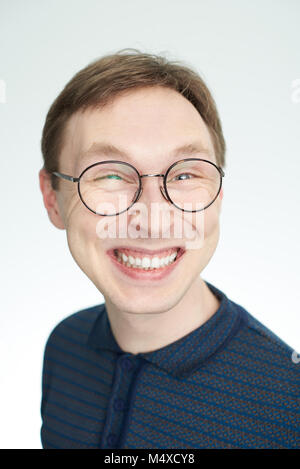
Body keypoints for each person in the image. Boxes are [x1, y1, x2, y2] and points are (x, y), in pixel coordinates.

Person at [39, 48, 299, 449]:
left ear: (218, 195)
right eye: (109, 174)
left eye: (184, 174)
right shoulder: (65, 347)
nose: (154, 219)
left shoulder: (289, 404)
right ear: (53, 198)